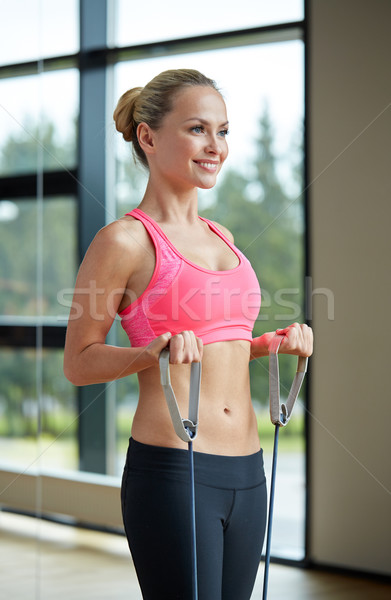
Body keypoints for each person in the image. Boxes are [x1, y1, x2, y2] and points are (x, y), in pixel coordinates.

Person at [63, 68, 313, 600]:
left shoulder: (222, 236)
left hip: (248, 472)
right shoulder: (124, 241)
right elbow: (78, 362)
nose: (215, 146)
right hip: (176, 469)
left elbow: (220, 347)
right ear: (148, 137)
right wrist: (148, 352)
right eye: (198, 129)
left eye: (223, 131)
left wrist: (270, 344)